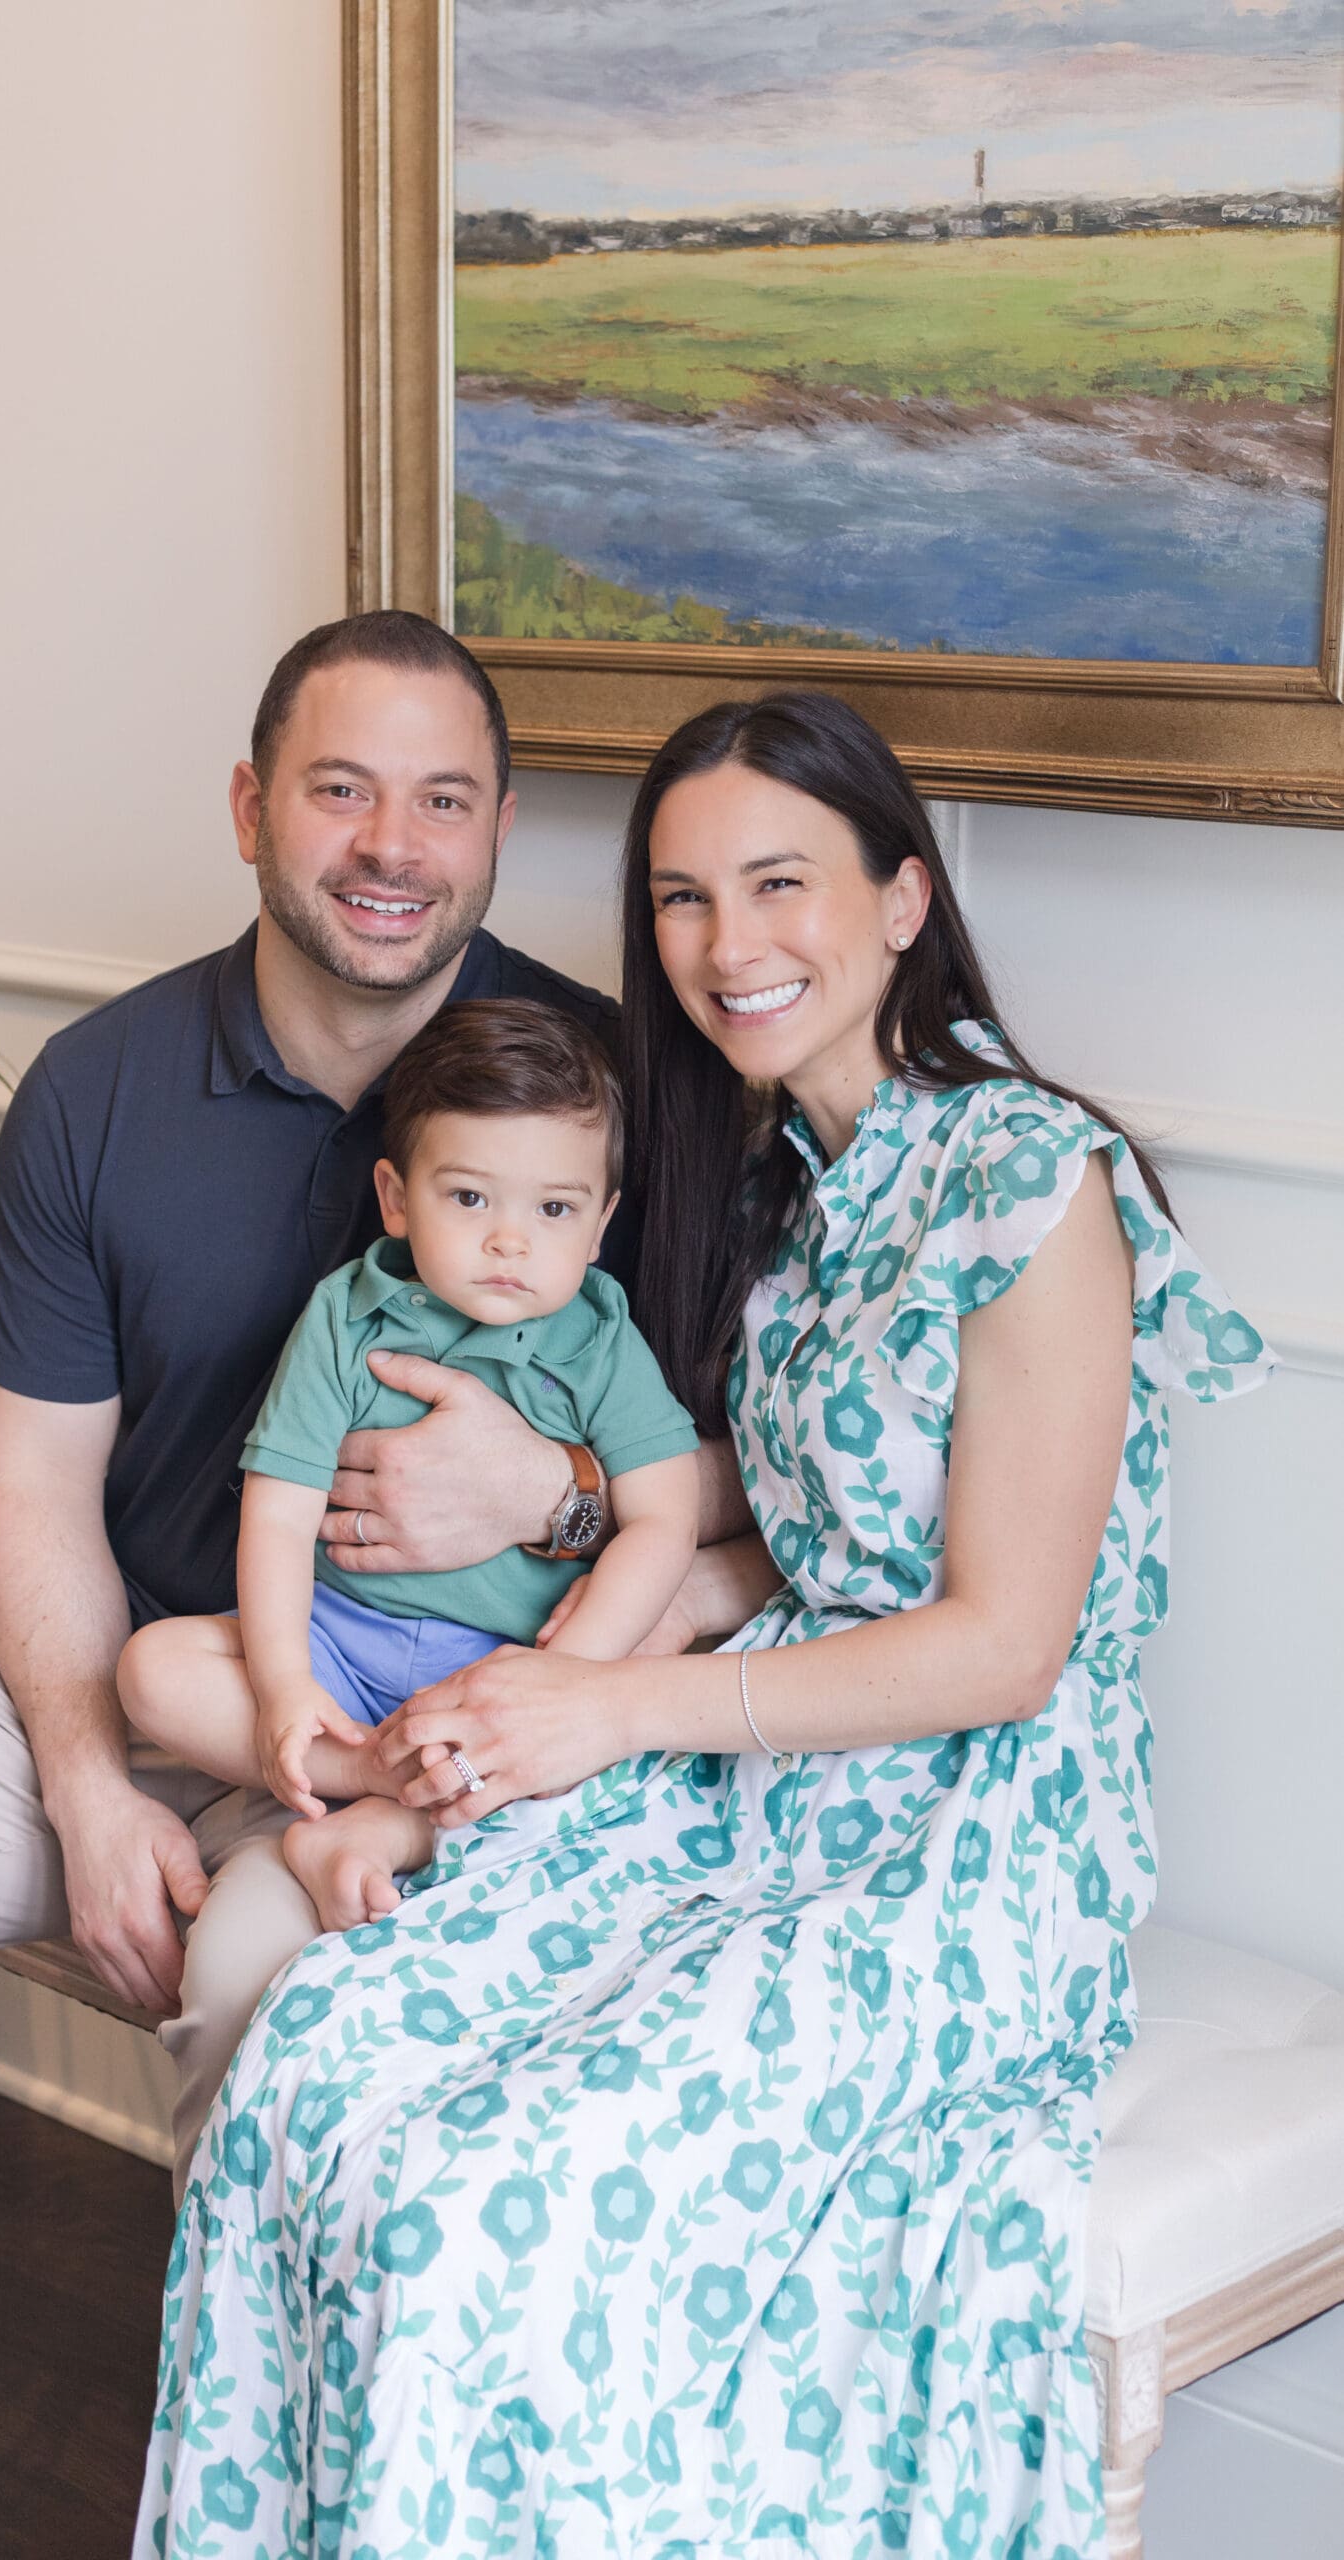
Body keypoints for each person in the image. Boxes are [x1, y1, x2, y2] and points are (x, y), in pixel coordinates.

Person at [0, 612, 750, 2560]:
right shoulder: (101, 1083)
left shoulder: (599, 1097)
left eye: (442, 797)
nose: (389, 840)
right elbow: (30, 1481)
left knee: (275, 1999)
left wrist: (554, 1491)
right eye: (340, 786)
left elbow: (753, 1493)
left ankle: (274, 2493)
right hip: (152, 1670)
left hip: (448, 1724)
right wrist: (78, 1777)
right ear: (250, 807)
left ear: (495, 834)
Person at [135, 689, 1273, 2559]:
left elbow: (1001, 1647)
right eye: (678, 899)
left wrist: (625, 1709)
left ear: (902, 899)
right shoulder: (782, 1182)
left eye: (776, 885)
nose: (724, 948)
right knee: (330, 2066)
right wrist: (585, 1655)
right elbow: (772, 1539)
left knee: (490, 2193)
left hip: (966, 1830)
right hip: (763, 1749)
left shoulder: (1023, 1185)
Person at [118, 998, 699, 1930]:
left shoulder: (597, 1336)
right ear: (396, 1197)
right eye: (469, 1198)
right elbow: (277, 1512)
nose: (510, 1241)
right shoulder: (347, 1317)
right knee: (153, 1670)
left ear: (599, 1225)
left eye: (554, 1209)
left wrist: (568, 1675)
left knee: (607, 1745)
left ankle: (383, 1827)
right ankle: (357, 1769)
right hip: (341, 1641)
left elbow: (664, 1516)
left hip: (504, 1661)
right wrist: (284, 1689)